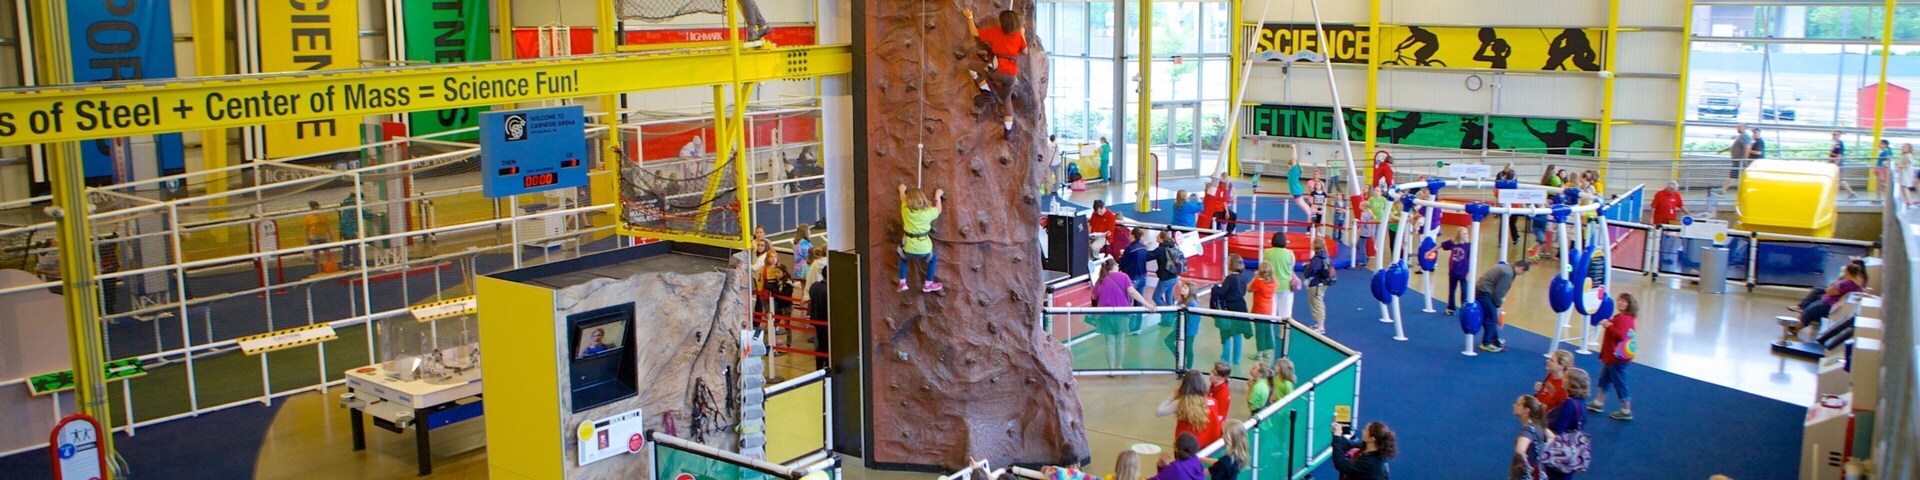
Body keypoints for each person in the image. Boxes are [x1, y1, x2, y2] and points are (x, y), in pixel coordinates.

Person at [963, 7, 1029, 138]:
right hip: (1011, 76)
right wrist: (1022, 34)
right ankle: (1008, 132)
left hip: (997, 71)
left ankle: (986, 91)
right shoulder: (1017, 36)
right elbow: (1025, 52)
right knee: (1007, 99)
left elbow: (975, 32)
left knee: (972, 67)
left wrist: (969, 17)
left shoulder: (996, 32)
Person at [1091, 259, 1156, 368]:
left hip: (1105, 315)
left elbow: (1094, 297)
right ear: (1114, 266)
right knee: (1120, 342)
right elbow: (1132, 292)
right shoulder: (1124, 277)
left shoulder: (1100, 280)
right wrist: (1147, 304)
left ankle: (1110, 368)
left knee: (1110, 343)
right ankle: (1119, 366)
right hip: (1122, 314)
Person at [1788, 261, 1867, 338]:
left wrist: (1836, 282)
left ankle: (1796, 327)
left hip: (1828, 304)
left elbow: (1830, 291)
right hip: (1830, 303)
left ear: (1848, 272)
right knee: (1811, 308)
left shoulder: (1845, 283)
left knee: (1811, 310)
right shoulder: (1856, 286)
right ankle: (1796, 324)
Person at [1590, 292, 1637, 420]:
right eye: (1619, 300)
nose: (1620, 303)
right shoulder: (1627, 317)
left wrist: (1608, 326)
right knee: (1605, 379)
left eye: (1624, 301)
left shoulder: (1622, 318)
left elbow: (1620, 335)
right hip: (1614, 357)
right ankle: (1598, 402)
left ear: (1629, 304)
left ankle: (1626, 410)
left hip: (1616, 358)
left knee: (1619, 383)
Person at [1476, 260, 1532, 353]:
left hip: (1482, 290)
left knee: (1490, 318)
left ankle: (1494, 340)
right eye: (1523, 272)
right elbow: (1499, 291)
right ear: (1521, 269)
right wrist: (1498, 304)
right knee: (1491, 319)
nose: (1521, 274)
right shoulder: (1508, 274)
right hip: (1485, 293)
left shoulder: (1507, 268)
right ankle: (1486, 343)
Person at [898, 184, 945, 292]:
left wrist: (902, 190)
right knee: (933, 259)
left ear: (908, 201)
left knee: (903, 258)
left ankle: (902, 282)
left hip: (909, 246)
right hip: (924, 248)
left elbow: (903, 199)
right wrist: (938, 196)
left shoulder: (905, 209)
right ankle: (928, 283)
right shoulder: (928, 213)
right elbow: (938, 210)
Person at [1546, 368, 1591, 480]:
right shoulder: (1581, 402)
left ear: (1572, 383)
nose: (1563, 379)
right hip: (1572, 447)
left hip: (1561, 451)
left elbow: (1558, 427)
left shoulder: (1569, 404)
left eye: (1565, 377)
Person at [1156, 373, 1223, 447]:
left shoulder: (1181, 403)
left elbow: (1159, 412)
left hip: (1188, 446)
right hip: (1209, 446)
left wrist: (1173, 395)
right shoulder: (1213, 402)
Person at [1211, 255, 1253, 364]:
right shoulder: (1244, 277)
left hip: (1229, 309)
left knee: (1226, 334)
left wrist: (1216, 287)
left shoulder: (1230, 278)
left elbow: (1221, 292)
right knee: (1237, 334)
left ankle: (1225, 359)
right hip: (1241, 307)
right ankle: (1237, 359)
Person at [1330, 421, 1395, 480]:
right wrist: (1337, 434)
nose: (1363, 431)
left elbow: (1341, 465)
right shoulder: (1366, 447)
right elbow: (1347, 445)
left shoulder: (1371, 463)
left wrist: (1337, 436)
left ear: (1372, 439)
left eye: (1366, 431)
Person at [1160, 280, 1201, 370]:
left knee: (1188, 348)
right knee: (1169, 341)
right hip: (1180, 328)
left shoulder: (1193, 304)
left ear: (1191, 291)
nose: (1182, 289)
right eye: (1183, 287)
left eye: (1185, 288)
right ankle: (1180, 359)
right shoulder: (1181, 301)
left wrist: (1188, 330)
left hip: (1189, 331)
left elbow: (1193, 320)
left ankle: (1188, 367)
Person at [1514, 396, 1557, 480]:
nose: (1514, 405)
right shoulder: (1538, 425)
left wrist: (1526, 465)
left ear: (1526, 411)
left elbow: (1519, 450)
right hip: (1538, 471)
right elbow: (1552, 437)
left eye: (1518, 404)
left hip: (1526, 475)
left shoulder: (1527, 430)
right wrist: (1541, 454)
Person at [1119, 228, 1154, 332]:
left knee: (1127, 302)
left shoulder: (1130, 249)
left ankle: (1126, 327)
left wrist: (1121, 257)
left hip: (1132, 278)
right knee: (1139, 303)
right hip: (1143, 277)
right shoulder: (1143, 247)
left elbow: (1123, 263)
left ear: (1133, 236)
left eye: (1130, 234)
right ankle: (1137, 328)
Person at [1262, 232, 1298, 320]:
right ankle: (1284, 333)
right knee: (1286, 315)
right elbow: (1292, 266)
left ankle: (1271, 333)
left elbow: (1265, 265)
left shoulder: (1267, 252)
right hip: (1286, 285)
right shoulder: (1290, 253)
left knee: (1271, 314)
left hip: (1270, 284)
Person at [1248, 263, 1280, 358]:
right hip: (1268, 310)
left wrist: (1255, 277)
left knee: (1259, 332)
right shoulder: (1274, 282)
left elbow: (1249, 289)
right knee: (1267, 330)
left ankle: (1259, 353)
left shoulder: (1258, 282)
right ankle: (1267, 350)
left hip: (1259, 310)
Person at [1303, 240, 1334, 332]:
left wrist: (1306, 268)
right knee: (1318, 302)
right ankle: (1319, 324)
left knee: (1317, 303)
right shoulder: (1325, 256)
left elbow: (1310, 272)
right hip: (1322, 283)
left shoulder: (1317, 259)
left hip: (1316, 284)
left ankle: (1321, 326)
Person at [1440, 229, 1472, 315]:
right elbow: (1441, 245)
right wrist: (1430, 251)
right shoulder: (1452, 243)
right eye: (1463, 233)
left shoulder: (1469, 246)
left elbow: (1472, 259)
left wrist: (1469, 272)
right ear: (1459, 235)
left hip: (1463, 273)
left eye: (1466, 233)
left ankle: (1464, 309)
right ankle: (1451, 308)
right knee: (1452, 291)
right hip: (1453, 271)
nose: (1466, 235)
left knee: (1464, 292)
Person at [807, 268, 832, 370]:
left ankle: (819, 367)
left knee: (820, 343)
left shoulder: (815, 286)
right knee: (826, 345)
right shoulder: (828, 290)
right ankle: (826, 367)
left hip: (816, 320)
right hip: (826, 321)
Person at [1716, 124, 1750, 192]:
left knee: (1733, 176)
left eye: (1739, 127)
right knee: (1734, 176)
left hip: (1739, 161)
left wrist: (1745, 160)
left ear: (1744, 128)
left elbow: (1747, 148)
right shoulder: (1741, 136)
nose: (1737, 128)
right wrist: (1722, 150)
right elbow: (1732, 147)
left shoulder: (1744, 136)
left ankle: (1723, 190)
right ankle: (1723, 189)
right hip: (1737, 161)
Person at [1830, 131, 1859, 198]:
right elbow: (1832, 154)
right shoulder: (1835, 144)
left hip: (1837, 165)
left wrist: (1836, 164)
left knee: (1840, 180)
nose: (1833, 136)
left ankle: (1851, 193)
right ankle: (1850, 193)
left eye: (1835, 134)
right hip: (1833, 164)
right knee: (1838, 180)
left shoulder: (1840, 144)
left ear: (1839, 135)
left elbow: (1840, 155)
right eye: (1833, 134)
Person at [304, 200, 333, 268]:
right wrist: (307, 240)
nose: (318, 209)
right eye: (316, 208)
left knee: (327, 252)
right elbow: (306, 229)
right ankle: (318, 269)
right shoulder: (308, 217)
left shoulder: (323, 216)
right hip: (313, 237)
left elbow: (327, 226)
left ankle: (330, 266)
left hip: (323, 236)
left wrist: (331, 236)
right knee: (317, 254)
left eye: (318, 208)